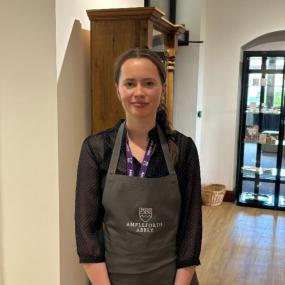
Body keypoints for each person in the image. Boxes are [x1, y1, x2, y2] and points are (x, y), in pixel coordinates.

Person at [75, 48, 202, 285]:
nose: (139, 92)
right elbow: (87, 233)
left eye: (149, 83)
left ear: (162, 89)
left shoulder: (183, 150)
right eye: (130, 83)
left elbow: (191, 229)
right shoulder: (97, 149)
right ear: (118, 90)